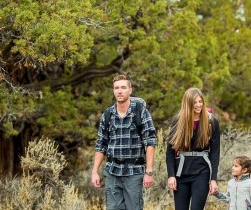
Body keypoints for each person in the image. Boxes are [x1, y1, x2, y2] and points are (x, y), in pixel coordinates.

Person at [91, 74, 157, 210]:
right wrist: (94, 171)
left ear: (130, 90)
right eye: (116, 88)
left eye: (123, 87)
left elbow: (150, 142)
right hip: (112, 171)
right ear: (113, 91)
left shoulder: (141, 112)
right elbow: (101, 144)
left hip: (134, 171)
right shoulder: (108, 114)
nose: (119, 91)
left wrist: (149, 172)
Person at [166, 88, 220, 210]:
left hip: (202, 172)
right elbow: (169, 151)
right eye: (194, 102)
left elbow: (215, 153)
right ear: (187, 103)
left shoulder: (212, 121)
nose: (198, 105)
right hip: (181, 173)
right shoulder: (178, 121)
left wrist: (213, 179)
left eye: (200, 102)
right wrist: (171, 175)